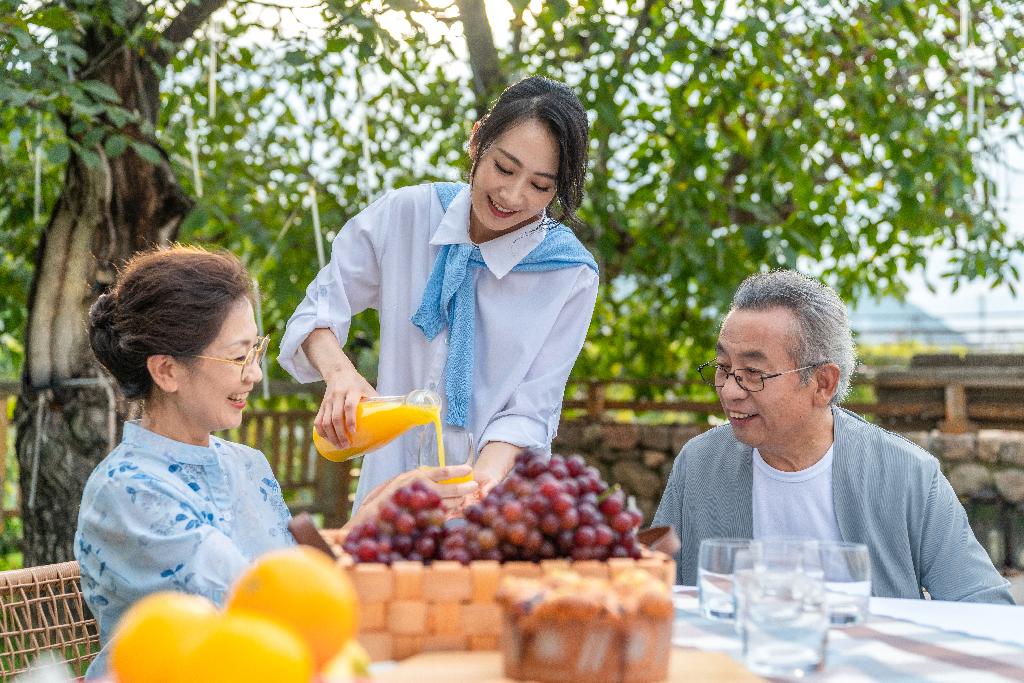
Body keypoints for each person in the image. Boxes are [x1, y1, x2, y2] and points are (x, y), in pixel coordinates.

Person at [76, 245, 476, 678]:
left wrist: (370, 525)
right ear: (167, 371)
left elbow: (293, 583)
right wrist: (365, 529)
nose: (256, 374)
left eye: (257, 349)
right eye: (237, 357)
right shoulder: (129, 491)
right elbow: (259, 614)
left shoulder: (247, 464)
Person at [279, 76, 599, 512]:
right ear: (476, 141)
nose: (512, 194)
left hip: (493, 506)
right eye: (504, 168)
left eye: (540, 187)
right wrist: (341, 375)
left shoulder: (569, 274)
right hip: (387, 497)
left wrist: (476, 487)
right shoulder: (407, 215)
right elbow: (319, 307)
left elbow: (530, 410)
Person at [653, 269, 1013, 603]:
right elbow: (650, 584)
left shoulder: (907, 474)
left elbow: (984, 605)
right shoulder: (699, 465)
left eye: (753, 373)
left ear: (823, 383)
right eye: (724, 369)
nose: (730, 391)